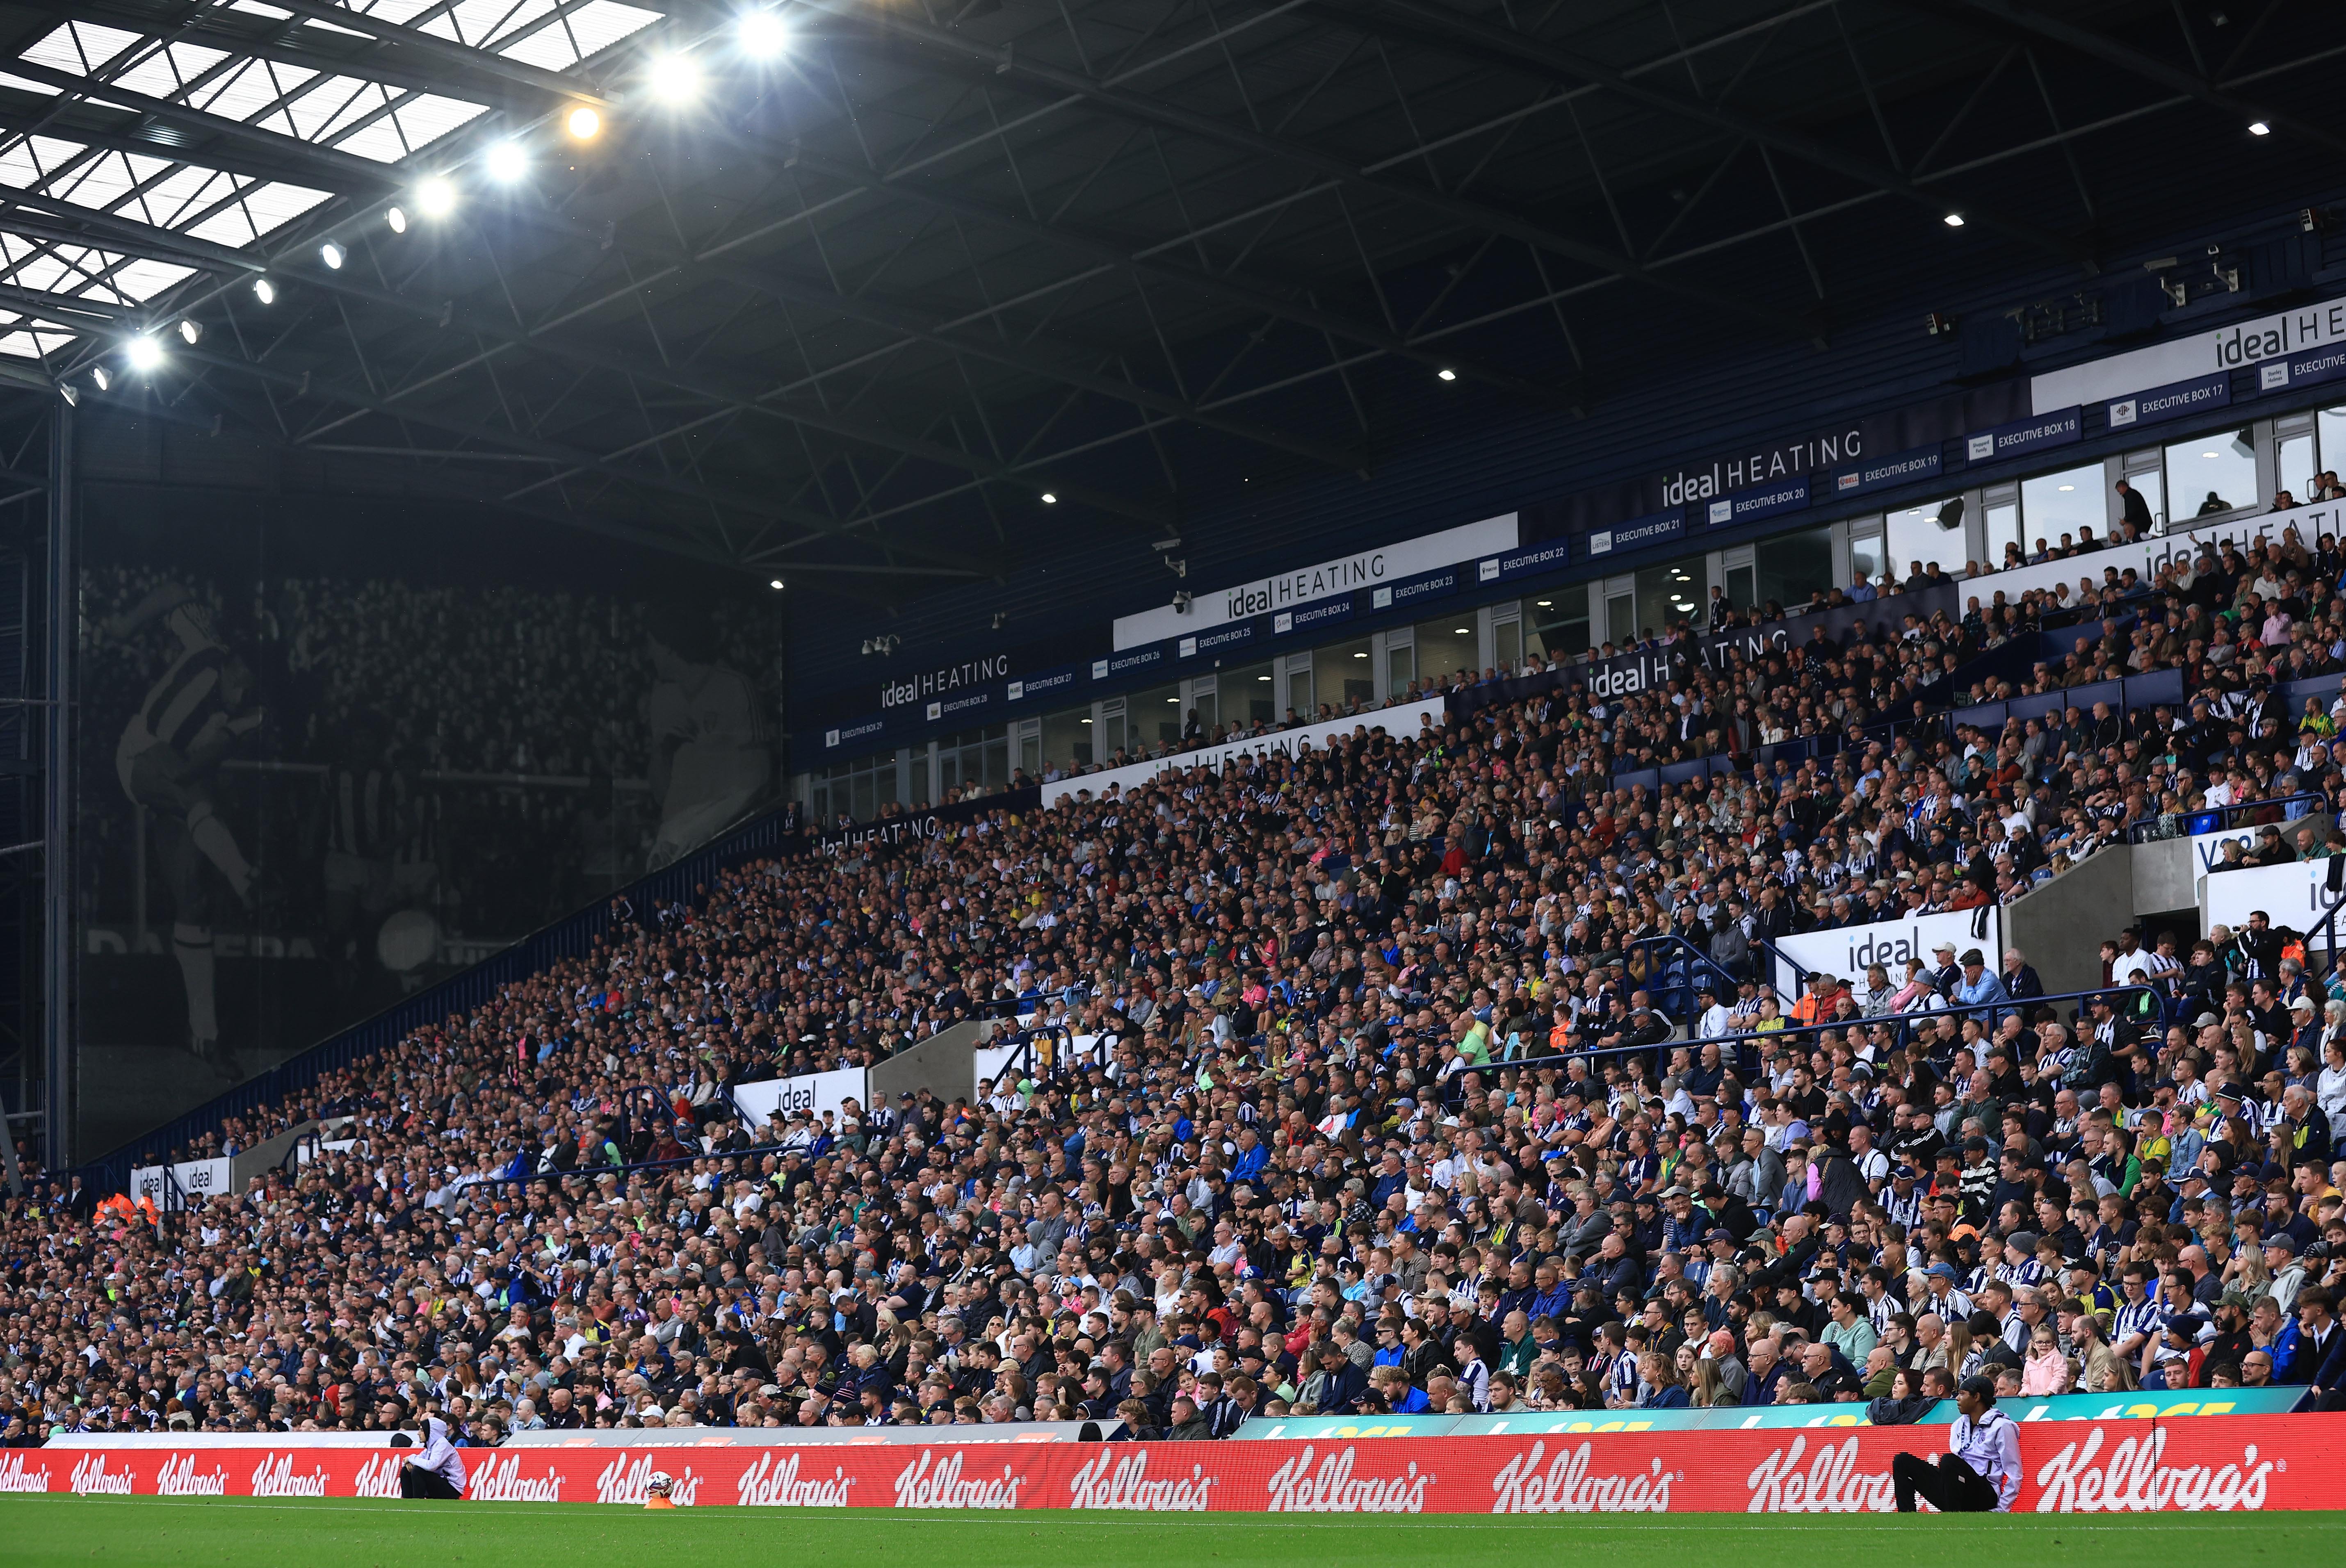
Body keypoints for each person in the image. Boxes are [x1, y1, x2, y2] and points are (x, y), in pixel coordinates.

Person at [1890, 1375, 2020, 1513]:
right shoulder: (1959, 1425)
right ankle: (1907, 1519)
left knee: (1949, 1461)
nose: (1957, 1398)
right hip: (1957, 1489)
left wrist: (2002, 1509)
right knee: (1902, 1461)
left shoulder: (2002, 1426)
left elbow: (2014, 1472)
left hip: (1984, 1493)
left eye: (1962, 1394)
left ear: (1976, 1397)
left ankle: (1952, 1518)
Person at [398, 1412, 467, 1500]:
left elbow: (431, 1466)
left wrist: (411, 1459)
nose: (419, 1434)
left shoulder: (443, 1444)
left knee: (418, 1471)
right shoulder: (430, 1448)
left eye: (422, 1430)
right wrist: (409, 1462)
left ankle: (417, 1501)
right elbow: (405, 1463)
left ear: (431, 1432)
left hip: (452, 1488)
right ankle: (407, 1502)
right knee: (406, 1470)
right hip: (440, 1483)